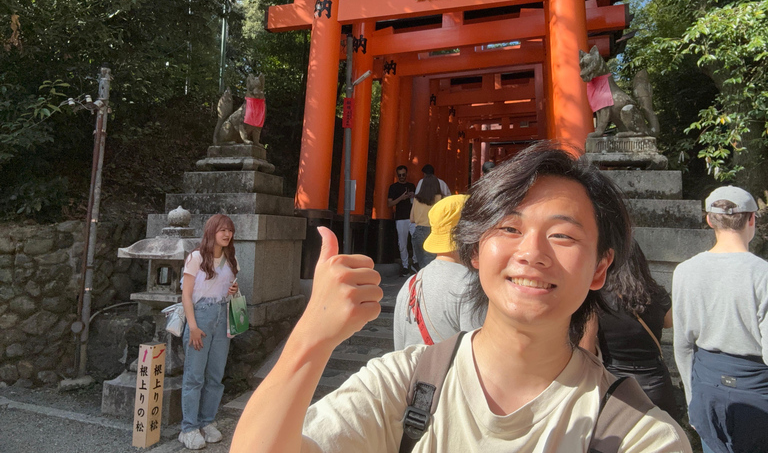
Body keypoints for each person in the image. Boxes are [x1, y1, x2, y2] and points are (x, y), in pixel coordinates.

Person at [231, 143, 691, 453]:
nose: (531, 253)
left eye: (563, 236)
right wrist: (313, 335)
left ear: (600, 268)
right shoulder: (403, 384)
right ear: (473, 251)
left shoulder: (635, 433)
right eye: (508, 228)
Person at [673, 185, 768, 453]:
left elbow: (682, 345)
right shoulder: (763, 274)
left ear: (709, 220)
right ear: (752, 219)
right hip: (757, 389)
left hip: (707, 388)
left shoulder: (685, 271)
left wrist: (693, 400)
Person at [581, 240, 679, 419]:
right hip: (656, 383)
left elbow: (586, 347)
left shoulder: (598, 299)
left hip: (616, 383)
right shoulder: (656, 293)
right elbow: (669, 322)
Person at [178, 214, 240, 450]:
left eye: (230, 231)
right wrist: (192, 327)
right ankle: (189, 428)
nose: (227, 234)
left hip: (222, 317)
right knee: (194, 376)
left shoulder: (230, 259)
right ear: (211, 231)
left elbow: (230, 290)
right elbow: (186, 294)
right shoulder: (196, 257)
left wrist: (233, 290)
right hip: (200, 317)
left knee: (215, 376)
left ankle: (206, 421)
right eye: (222, 230)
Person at [393, 194, 484, 350]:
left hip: (415, 373)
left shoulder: (411, 283)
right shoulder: (472, 285)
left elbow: (399, 348)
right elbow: (476, 355)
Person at [388, 165, 417, 277]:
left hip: (412, 217)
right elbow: (389, 203)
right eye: (399, 175)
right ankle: (405, 265)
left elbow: (415, 201)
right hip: (400, 218)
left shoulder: (411, 186)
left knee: (415, 240)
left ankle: (415, 261)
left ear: (406, 174)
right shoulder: (393, 187)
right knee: (402, 243)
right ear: (397, 175)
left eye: (403, 175)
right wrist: (401, 198)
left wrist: (412, 196)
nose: (401, 177)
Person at [410, 173, 442, 269]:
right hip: (433, 232)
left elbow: (412, 219)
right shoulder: (440, 198)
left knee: (422, 266)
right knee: (431, 265)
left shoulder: (416, 198)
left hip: (418, 232)